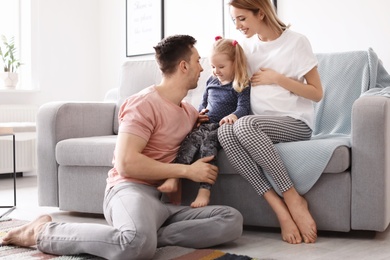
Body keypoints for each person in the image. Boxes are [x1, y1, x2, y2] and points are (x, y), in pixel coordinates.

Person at [1, 35, 243, 260]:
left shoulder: (189, 112)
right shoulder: (143, 104)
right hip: (131, 190)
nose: (202, 68)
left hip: (164, 204)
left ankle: (145, 235)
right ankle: (43, 231)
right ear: (183, 66)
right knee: (135, 246)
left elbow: (202, 128)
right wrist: (187, 172)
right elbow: (126, 163)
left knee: (231, 220)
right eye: (196, 61)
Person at [218, 0, 323, 244]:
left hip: (295, 122)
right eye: (234, 20)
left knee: (245, 125)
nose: (237, 26)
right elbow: (230, 85)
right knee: (225, 132)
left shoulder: (296, 42)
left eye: (242, 18)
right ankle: (278, 207)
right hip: (256, 125)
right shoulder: (245, 47)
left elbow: (317, 93)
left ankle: (292, 197)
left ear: (261, 13)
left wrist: (278, 78)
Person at [158, 36, 251, 208]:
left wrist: (233, 116)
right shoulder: (211, 81)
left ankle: (205, 190)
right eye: (213, 66)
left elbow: (243, 108)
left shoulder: (241, 83)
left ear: (235, 63)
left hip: (223, 127)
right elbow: (203, 103)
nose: (216, 71)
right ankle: (174, 177)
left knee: (208, 145)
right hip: (206, 123)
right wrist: (198, 113)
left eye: (221, 67)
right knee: (189, 141)